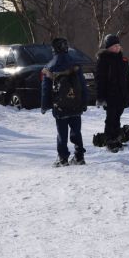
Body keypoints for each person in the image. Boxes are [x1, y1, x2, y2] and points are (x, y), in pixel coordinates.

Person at [41, 37, 89, 167]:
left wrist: (44, 105)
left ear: (54, 49)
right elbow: (82, 85)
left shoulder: (49, 67)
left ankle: (62, 158)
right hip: (76, 105)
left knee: (62, 134)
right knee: (76, 132)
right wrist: (84, 102)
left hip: (60, 107)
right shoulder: (75, 64)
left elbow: (46, 89)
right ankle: (79, 157)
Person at [95, 34, 129, 153]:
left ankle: (116, 139)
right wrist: (100, 97)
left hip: (122, 95)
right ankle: (109, 141)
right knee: (111, 118)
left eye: (118, 45)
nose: (117, 48)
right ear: (108, 47)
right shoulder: (103, 60)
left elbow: (128, 78)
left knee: (117, 117)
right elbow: (100, 79)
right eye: (114, 46)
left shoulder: (123, 60)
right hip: (110, 95)